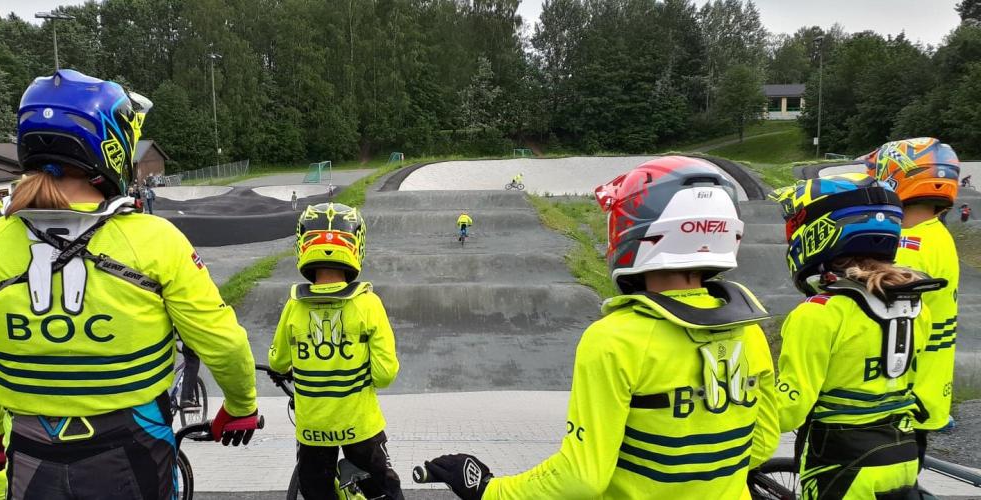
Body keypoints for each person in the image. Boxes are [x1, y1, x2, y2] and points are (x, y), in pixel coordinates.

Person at [0, 69, 260, 500]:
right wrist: (240, 405)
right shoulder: (155, 238)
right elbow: (221, 339)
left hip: (32, 448)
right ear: (112, 147)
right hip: (132, 445)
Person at [423, 156, 779, 499]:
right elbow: (760, 444)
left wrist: (489, 490)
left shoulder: (614, 339)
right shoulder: (749, 330)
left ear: (633, 232)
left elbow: (582, 478)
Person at [770, 173, 941, 497]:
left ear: (819, 232)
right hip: (902, 455)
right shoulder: (916, 307)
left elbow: (791, 409)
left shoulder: (819, 313)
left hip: (840, 464)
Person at [269, 202, 402, 500]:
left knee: (316, 493)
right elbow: (384, 375)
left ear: (302, 244)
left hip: (313, 431)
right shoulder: (368, 304)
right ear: (357, 245)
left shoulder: (294, 305)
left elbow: (277, 360)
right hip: (361, 427)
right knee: (386, 492)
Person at [864, 138, 961, 465]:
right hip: (927, 388)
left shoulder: (909, 244)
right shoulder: (938, 235)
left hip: (901, 393)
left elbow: (872, 300)